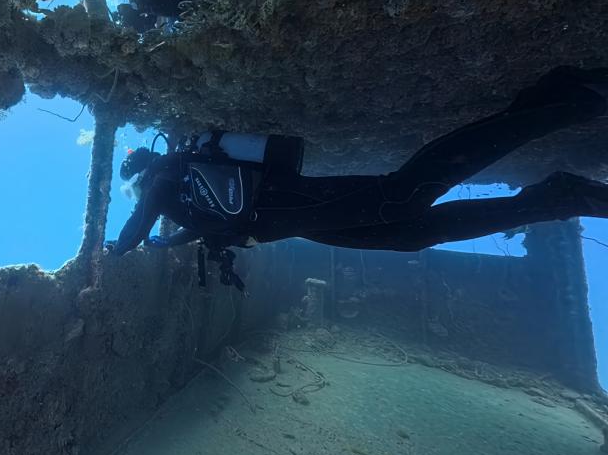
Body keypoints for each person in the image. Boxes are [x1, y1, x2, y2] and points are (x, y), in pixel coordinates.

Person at [109, 66, 608, 264]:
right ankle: (554, 198)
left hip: (290, 206)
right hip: (294, 222)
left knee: (402, 196)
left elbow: (145, 211)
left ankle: (560, 102)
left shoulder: (166, 178)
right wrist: (163, 242)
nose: (136, 188)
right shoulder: (187, 204)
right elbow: (202, 229)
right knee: (410, 232)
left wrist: (120, 249)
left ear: (140, 173)